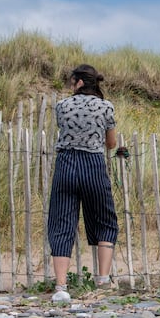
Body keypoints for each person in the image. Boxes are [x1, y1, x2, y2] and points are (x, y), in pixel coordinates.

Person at [47, 64, 119, 302]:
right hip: (93, 165)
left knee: (62, 222)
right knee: (105, 220)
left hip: (66, 164)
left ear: (78, 82)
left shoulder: (62, 105)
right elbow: (111, 143)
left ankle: (60, 286)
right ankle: (103, 280)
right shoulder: (106, 107)